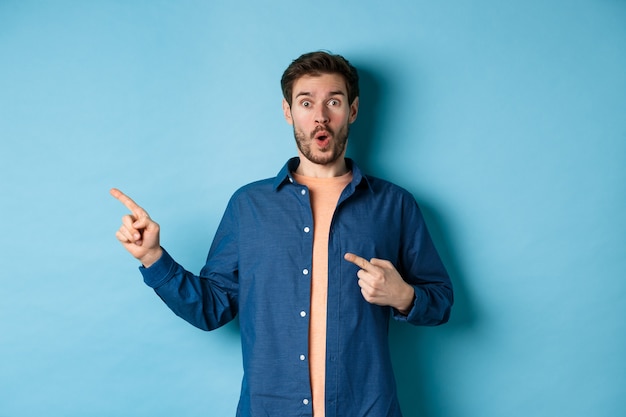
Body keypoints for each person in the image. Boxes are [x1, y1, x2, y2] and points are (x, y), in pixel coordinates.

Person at [111, 51, 453, 417]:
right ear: (289, 112)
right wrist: (152, 258)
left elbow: (441, 301)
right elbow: (211, 309)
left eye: (333, 102)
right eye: (306, 103)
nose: (320, 116)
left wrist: (402, 295)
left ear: (352, 111)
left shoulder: (394, 205)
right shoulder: (249, 206)